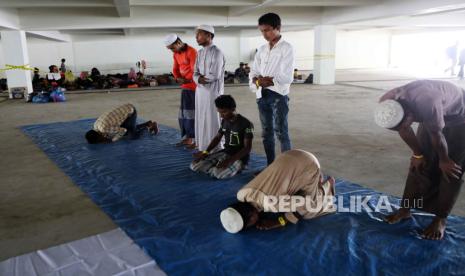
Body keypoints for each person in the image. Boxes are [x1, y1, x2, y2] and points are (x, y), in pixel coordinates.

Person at [374, 80, 465, 240]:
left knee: (451, 169)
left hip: (460, 119)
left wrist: (444, 160)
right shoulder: (388, 103)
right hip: (433, 116)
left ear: (408, 113)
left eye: (406, 123)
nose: (405, 127)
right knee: (419, 165)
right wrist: (418, 154)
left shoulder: (427, 101)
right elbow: (403, 129)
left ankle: (440, 219)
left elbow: (437, 134)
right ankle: (405, 210)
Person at [220, 149, 335, 234]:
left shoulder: (273, 204)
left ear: (251, 216)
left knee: (310, 210)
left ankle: (326, 186)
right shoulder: (241, 194)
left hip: (309, 164)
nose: (252, 225)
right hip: (289, 155)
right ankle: (313, 182)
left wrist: (279, 222)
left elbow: (306, 203)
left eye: (249, 224)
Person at [249, 13, 295, 165]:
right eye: (262, 31)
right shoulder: (261, 49)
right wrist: (257, 81)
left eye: (267, 30)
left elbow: (288, 76)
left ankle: (286, 170)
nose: (264, 34)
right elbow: (254, 71)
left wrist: (270, 81)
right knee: (266, 133)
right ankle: (270, 167)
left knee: (281, 132)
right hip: (262, 95)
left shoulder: (286, 48)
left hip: (278, 95)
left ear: (278, 28)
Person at [190, 95, 253, 179]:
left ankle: (238, 166)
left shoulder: (246, 124)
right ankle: (217, 167)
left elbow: (247, 148)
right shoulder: (225, 121)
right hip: (225, 153)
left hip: (239, 158)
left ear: (233, 109)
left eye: (224, 112)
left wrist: (229, 161)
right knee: (195, 166)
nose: (221, 115)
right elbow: (217, 138)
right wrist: (205, 153)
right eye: (219, 112)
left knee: (217, 174)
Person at [193, 24, 225, 151]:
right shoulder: (199, 53)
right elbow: (194, 72)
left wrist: (200, 79)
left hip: (213, 92)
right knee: (201, 117)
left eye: (199, 34)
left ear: (209, 35)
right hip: (200, 91)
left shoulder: (217, 52)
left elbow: (215, 74)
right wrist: (198, 79)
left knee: (212, 120)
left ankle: (216, 148)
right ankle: (202, 146)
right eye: (196, 35)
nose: (196, 37)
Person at [165, 33, 198, 147]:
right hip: (185, 87)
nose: (172, 51)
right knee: (183, 114)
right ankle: (187, 137)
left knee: (191, 114)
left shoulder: (192, 52)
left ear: (178, 43)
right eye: (170, 49)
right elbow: (175, 69)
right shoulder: (176, 54)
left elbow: (195, 71)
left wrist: (188, 81)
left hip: (193, 88)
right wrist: (177, 78)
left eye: (172, 48)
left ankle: (193, 138)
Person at [85, 103, 159, 144]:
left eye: (99, 141)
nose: (101, 142)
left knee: (131, 136)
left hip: (131, 112)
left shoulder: (104, 129)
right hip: (125, 109)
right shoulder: (95, 125)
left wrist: (112, 140)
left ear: (98, 137)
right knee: (128, 129)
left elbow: (123, 130)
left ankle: (149, 127)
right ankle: (147, 123)